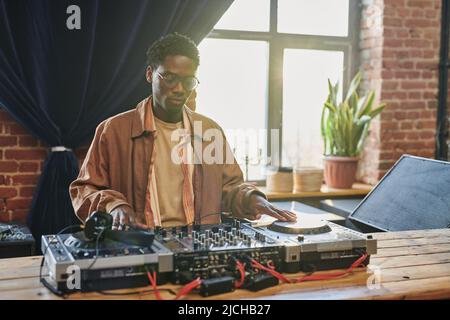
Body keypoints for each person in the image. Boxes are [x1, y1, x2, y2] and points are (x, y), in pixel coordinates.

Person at [70, 33, 296, 230]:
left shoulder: (209, 130)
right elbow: (84, 189)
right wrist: (114, 205)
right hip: (137, 244)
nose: (179, 89)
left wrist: (253, 199)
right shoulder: (113, 131)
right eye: (169, 78)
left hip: (199, 245)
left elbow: (230, 187)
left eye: (188, 81)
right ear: (150, 74)